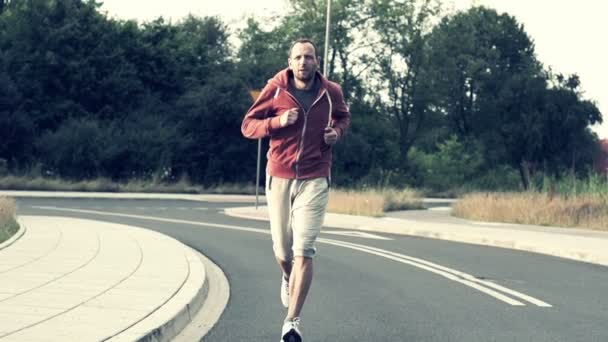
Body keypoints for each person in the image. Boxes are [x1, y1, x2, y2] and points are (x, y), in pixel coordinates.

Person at [241, 38, 351, 342]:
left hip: (315, 176)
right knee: (282, 249)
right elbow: (248, 125)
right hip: (280, 175)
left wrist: (336, 133)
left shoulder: (331, 92)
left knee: (304, 249)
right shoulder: (275, 89)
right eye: (298, 57)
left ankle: (291, 322)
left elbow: (343, 117)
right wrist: (276, 121)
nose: (304, 62)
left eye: (309, 57)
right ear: (290, 62)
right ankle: (288, 276)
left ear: (317, 62)